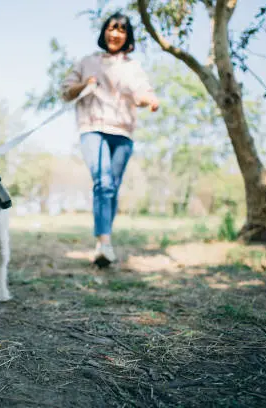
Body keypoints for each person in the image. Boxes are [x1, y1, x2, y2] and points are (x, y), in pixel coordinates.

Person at [61, 12, 159, 267]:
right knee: (103, 182)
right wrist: (84, 84)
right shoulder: (87, 62)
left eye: (121, 30)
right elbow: (66, 92)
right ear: (104, 32)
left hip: (123, 133)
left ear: (128, 37)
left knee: (112, 187)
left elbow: (142, 91)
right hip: (92, 128)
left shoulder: (132, 66)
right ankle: (104, 243)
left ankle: (105, 240)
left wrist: (150, 100)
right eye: (112, 28)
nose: (115, 34)